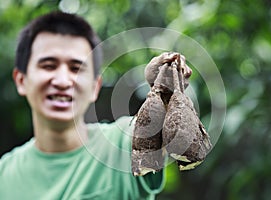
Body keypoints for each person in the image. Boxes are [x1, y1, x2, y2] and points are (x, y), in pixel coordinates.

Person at [0, 11, 191, 200]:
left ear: (94, 87)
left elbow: (161, 127)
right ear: (21, 80)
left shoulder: (123, 144)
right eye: (49, 65)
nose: (63, 81)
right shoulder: (4, 174)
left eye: (76, 68)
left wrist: (167, 92)